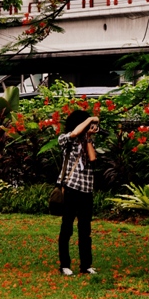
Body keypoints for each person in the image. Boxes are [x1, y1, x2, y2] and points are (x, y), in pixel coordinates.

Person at [57, 109, 99, 276]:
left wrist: (88, 138)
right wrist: (90, 119)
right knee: (67, 228)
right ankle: (64, 265)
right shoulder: (65, 139)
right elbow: (74, 133)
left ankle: (86, 265)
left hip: (86, 189)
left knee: (85, 229)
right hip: (70, 188)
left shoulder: (87, 141)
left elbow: (92, 159)